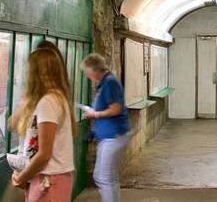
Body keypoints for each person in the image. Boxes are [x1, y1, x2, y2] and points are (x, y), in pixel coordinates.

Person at [11, 47, 76, 202]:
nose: (26, 75)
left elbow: (44, 154)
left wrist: (21, 177)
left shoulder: (48, 102)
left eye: (29, 70)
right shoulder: (54, 98)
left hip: (48, 181)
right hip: (48, 179)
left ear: (37, 74)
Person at [83, 53, 130, 202]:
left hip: (113, 135)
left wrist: (94, 115)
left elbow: (115, 109)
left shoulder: (109, 82)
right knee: (109, 177)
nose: (87, 75)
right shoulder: (105, 82)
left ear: (95, 69)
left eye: (87, 72)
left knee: (102, 177)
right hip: (110, 135)